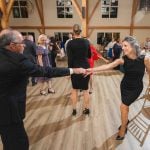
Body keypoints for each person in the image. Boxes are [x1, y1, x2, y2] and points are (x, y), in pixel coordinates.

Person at [0, 29, 85, 150]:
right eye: (21, 43)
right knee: (18, 143)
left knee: (7, 140)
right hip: (8, 111)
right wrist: (73, 70)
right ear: (12, 45)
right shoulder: (17, 60)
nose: (24, 45)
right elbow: (45, 71)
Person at [86, 36, 150, 140]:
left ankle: (123, 128)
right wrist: (91, 70)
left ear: (133, 46)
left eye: (125, 46)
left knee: (123, 106)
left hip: (136, 88)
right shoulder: (122, 60)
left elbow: (149, 71)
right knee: (125, 107)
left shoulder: (145, 59)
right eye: (122, 46)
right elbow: (107, 66)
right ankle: (125, 122)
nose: (123, 48)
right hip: (125, 86)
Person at [67, 24, 91, 116]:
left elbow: (69, 59)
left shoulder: (70, 43)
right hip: (85, 67)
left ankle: (74, 109)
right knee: (85, 90)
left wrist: (70, 71)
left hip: (75, 68)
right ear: (81, 31)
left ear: (73, 32)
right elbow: (89, 55)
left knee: (74, 90)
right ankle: (87, 109)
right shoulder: (86, 42)